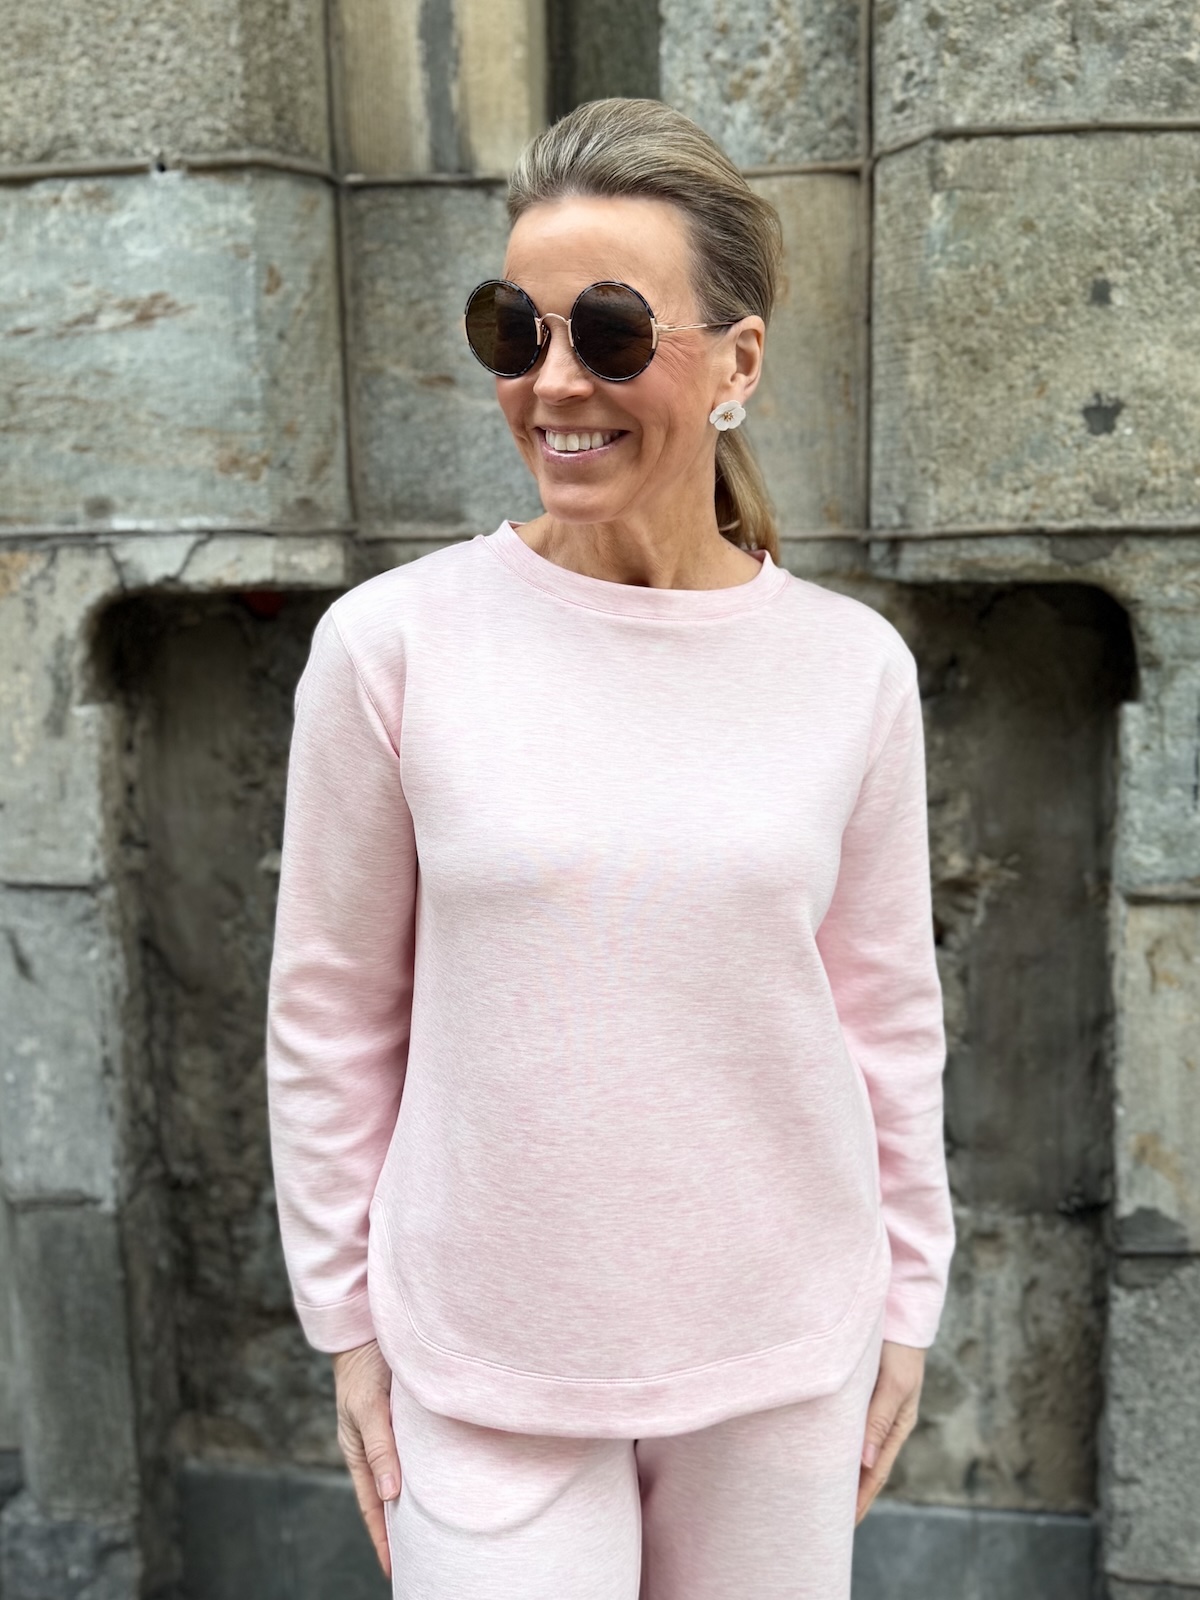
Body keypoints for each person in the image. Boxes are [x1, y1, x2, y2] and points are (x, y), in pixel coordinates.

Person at [265, 96, 955, 1600]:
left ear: (739, 364)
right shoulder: (391, 647)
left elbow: (885, 1013)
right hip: (483, 1356)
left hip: (783, 1349)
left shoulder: (851, 669)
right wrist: (350, 1330)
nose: (555, 380)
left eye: (615, 332)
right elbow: (330, 1011)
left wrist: (907, 1299)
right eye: (514, 331)